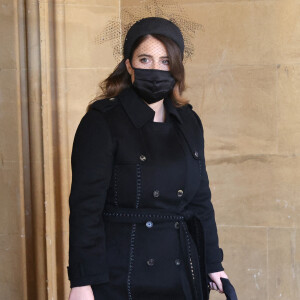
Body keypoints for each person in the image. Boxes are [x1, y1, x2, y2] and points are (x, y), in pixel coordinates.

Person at [67, 17, 229, 300]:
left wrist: (213, 263)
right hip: (120, 274)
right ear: (129, 65)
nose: (156, 70)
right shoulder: (102, 122)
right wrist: (82, 282)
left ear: (176, 68)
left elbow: (200, 200)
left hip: (179, 270)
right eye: (145, 59)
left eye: (165, 61)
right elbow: (85, 209)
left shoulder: (189, 121)